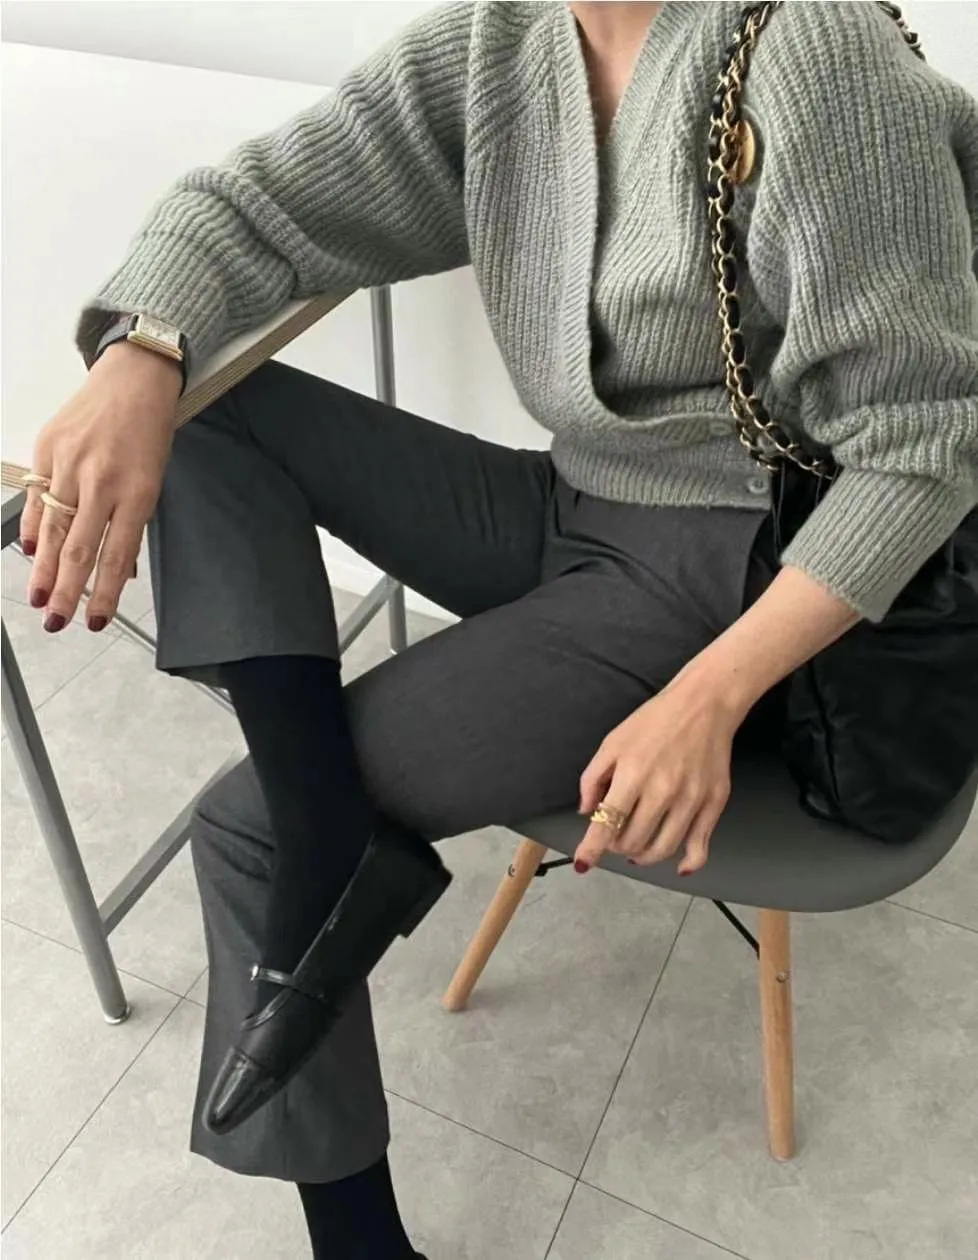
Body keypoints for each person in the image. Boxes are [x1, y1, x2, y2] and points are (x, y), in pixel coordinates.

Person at [19, 1, 978, 1256]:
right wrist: (138, 354)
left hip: (723, 560)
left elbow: (921, 450)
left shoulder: (816, 55)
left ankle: (362, 1244)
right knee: (204, 409)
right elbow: (251, 204)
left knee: (245, 836)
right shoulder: (502, 46)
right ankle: (332, 829)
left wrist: (708, 694)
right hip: (571, 501)